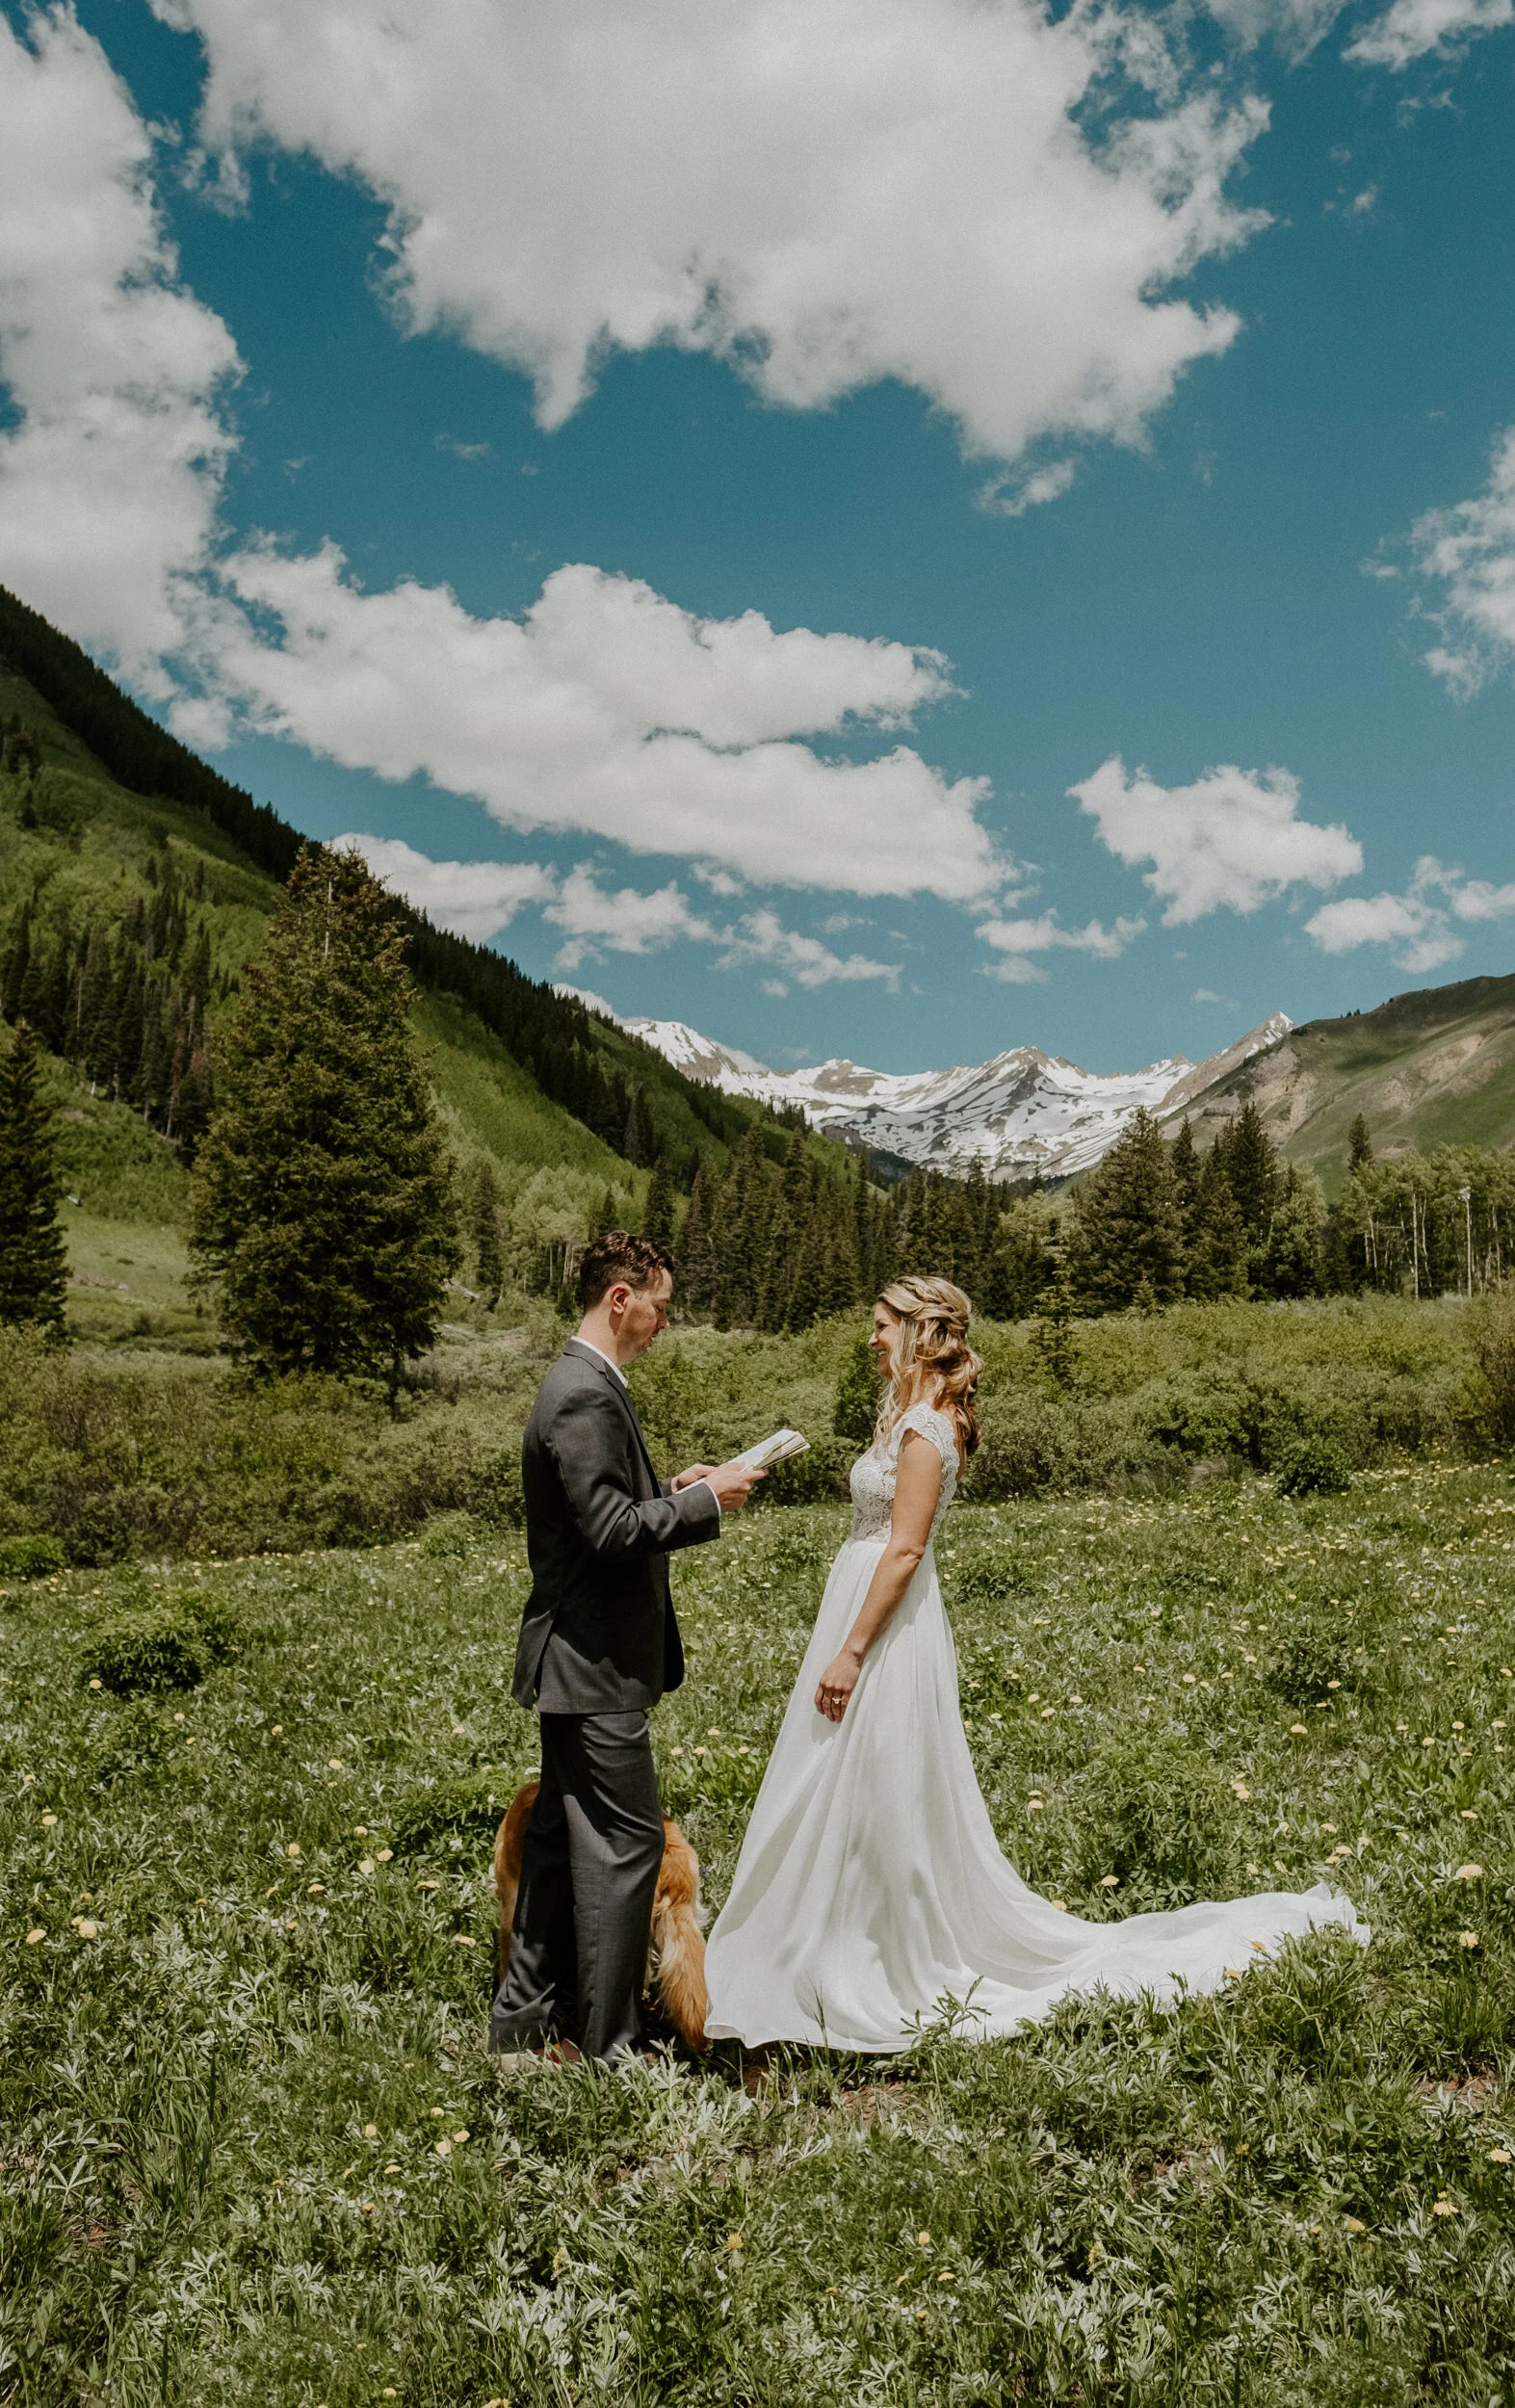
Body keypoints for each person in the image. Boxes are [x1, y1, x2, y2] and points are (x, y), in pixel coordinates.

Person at [704, 1273, 1366, 2053]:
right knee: (842, 1775)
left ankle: (863, 1956)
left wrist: (852, 1649)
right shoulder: (910, 1418)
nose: (871, 1337)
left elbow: (908, 1547)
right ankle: (821, 1940)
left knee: (874, 1776)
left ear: (921, 1331)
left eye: (881, 1324)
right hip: (863, 1603)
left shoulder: (925, 1430)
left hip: (883, 1619)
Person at [491, 1230, 762, 2064]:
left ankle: (525, 2028)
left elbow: (600, 1505)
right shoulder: (582, 1392)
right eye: (660, 1306)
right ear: (621, 1298)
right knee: (626, 1845)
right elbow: (609, 1533)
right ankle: (608, 2047)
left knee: (549, 1849)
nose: (662, 1323)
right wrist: (708, 1502)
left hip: (576, 1664)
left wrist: (669, 1489)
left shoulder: (582, 1383)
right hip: (594, 1665)